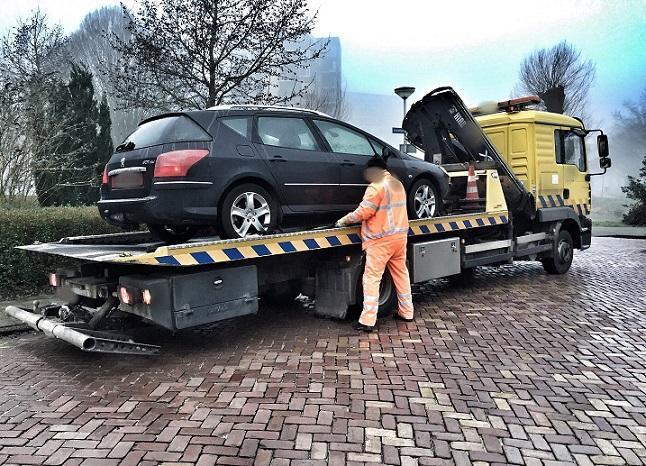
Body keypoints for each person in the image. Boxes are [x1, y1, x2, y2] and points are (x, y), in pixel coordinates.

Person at [336, 157, 414, 332]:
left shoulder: (376, 187)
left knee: (371, 278)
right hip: (399, 238)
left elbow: (364, 212)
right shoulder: (397, 184)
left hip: (380, 241)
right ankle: (407, 312)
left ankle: (367, 320)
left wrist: (344, 220)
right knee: (401, 274)